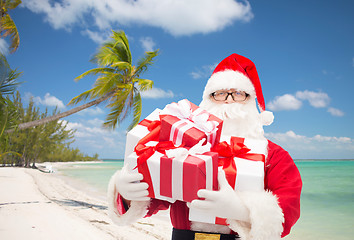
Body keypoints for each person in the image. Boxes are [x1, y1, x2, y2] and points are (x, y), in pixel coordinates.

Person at [107, 53, 302, 240]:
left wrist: (241, 211)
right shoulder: (182, 146)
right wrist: (127, 193)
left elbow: (288, 208)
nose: (229, 100)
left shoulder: (274, 155)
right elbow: (158, 195)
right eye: (220, 94)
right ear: (207, 100)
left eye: (239, 93)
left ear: (252, 101)